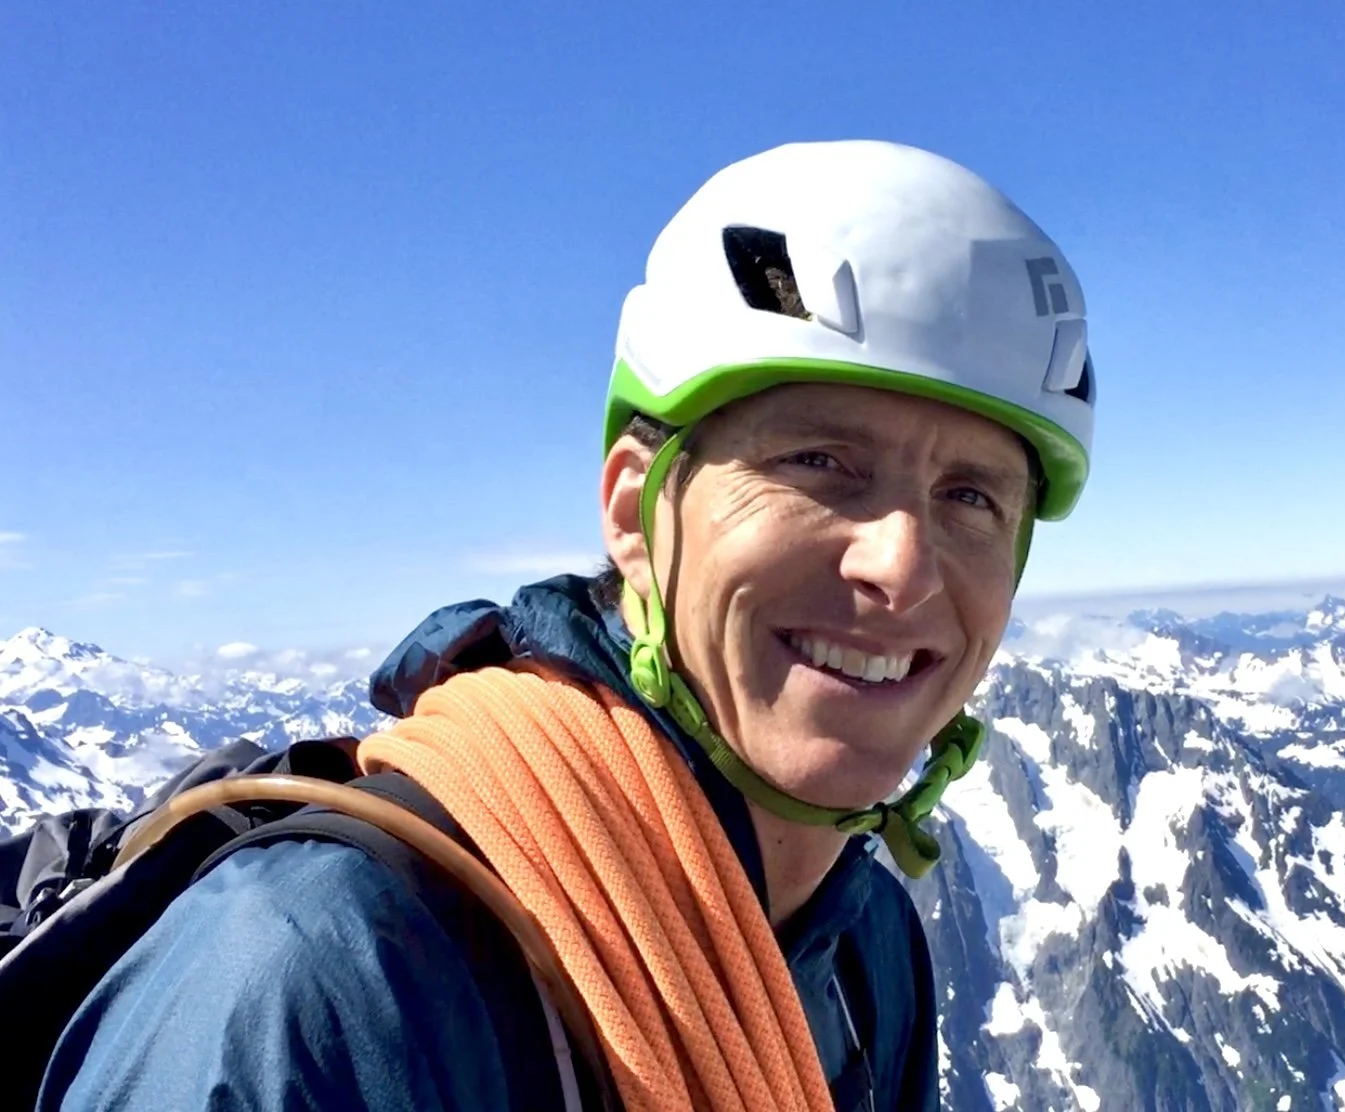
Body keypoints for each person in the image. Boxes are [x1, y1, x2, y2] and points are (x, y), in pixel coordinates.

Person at [38, 139, 1097, 1112]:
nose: (902, 564)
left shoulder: (865, 940)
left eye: (973, 497)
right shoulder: (318, 980)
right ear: (637, 510)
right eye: (821, 463)